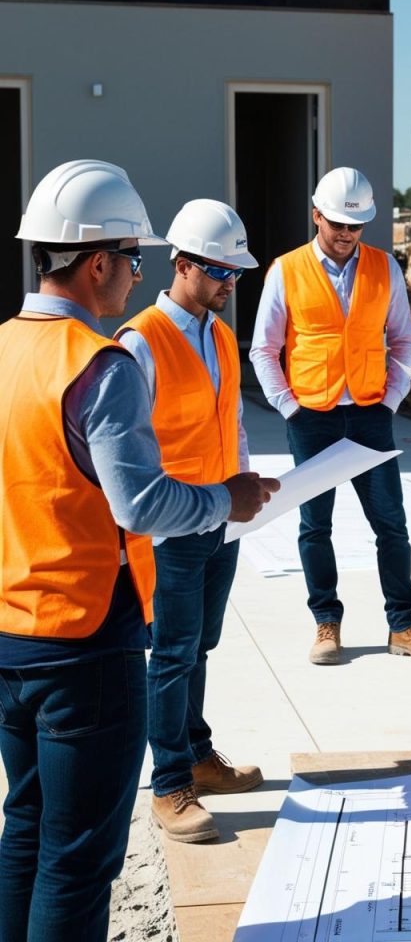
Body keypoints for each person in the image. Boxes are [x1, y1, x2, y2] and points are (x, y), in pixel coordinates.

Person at [0, 160, 278, 942]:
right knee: (78, 859)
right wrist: (226, 501)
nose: (134, 274)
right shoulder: (101, 364)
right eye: (131, 258)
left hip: (12, 630)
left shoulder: (6, 349)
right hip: (84, 643)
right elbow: (143, 504)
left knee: (27, 828)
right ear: (97, 263)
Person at [250, 166, 411, 665]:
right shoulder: (286, 270)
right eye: (337, 222)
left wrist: (390, 400)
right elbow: (263, 349)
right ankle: (326, 623)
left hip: (369, 415)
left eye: (355, 225)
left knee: (391, 525)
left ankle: (403, 626)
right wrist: (289, 407)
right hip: (311, 417)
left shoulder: (385, 268)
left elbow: (403, 340)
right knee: (315, 527)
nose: (345, 233)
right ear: (316, 215)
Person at [117, 199, 262, 844]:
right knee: (171, 655)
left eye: (236, 272)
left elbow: (232, 423)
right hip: (170, 530)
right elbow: (128, 450)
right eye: (219, 271)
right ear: (181, 265)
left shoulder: (223, 335)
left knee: (199, 646)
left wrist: (247, 488)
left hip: (222, 522)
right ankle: (170, 783)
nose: (230, 282)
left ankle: (197, 754)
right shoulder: (139, 341)